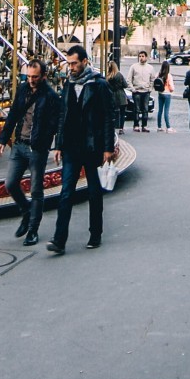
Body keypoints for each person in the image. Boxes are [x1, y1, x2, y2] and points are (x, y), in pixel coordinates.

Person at [47, 44, 117, 255]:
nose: (71, 67)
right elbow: (63, 116)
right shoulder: (68, 84)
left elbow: (107, 116)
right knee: (66, 192)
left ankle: (95, 233)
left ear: (85, 61)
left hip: (92, 146)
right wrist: (59, 144)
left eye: (75, 63)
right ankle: (59, 239)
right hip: (71, 146)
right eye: (69, 64)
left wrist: (107, 147)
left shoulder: (99, 84)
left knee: (94, 192)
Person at [0, 58, 61, 247]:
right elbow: (14, 114)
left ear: (43, 76)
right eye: (28, 76)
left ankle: (33, 230)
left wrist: (56, 145)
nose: (31, 80)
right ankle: (26, 210)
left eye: (35, 77)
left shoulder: (50, 96)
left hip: (37, 148)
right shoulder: (23, 89)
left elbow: (57, 123)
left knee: (36, 190)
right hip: (19, 145)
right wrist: (2, 139)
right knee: (10, 183)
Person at [127, 48, 156, 132]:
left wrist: (150, 88)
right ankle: (136, 125)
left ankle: (144, 125)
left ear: (146, 57)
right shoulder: (134, 67)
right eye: (140, 56)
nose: (141, 58)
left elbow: (152, 79)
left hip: (146, 91)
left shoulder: (150, 68)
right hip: (136, 91)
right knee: (136, 109)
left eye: (143, 56)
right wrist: (132, 89)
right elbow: (129, 79)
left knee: (145, 109)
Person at [105, 58, 128, 134]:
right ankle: (121, 128)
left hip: (112, 95)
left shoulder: (108, 76)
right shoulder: (119, 75)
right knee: (122, 113)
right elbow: (125, 85)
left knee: (112, 112)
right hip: (121, 95)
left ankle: (111, 127)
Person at [155, 61, 174, 130]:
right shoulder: (169, 76)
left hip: (160, 94)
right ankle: (168, 126)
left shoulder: (158, 74)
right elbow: (172, 88)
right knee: (166, 111)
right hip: (167, 94)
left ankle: (159, 126)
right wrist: (171, 89)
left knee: (160, 111)